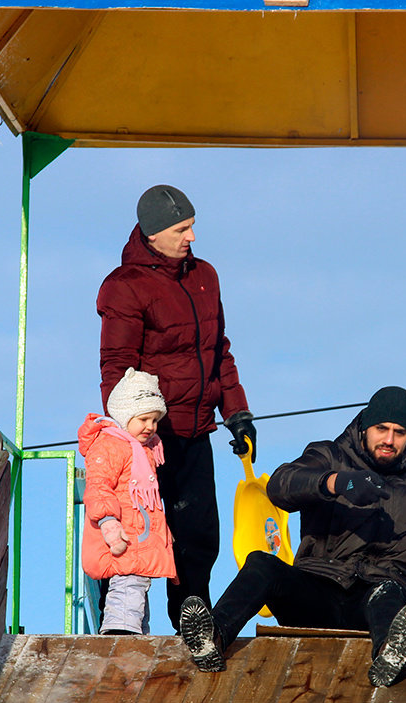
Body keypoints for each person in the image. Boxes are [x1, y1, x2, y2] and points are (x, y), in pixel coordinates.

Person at [178, 386, 406, 687]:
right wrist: (335, 482)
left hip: (376, 599)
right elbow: (280, 486)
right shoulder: (329, 454)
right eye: (382, 428)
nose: (389, 440)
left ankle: (390, 654)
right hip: (318, 590)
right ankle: (212, 637)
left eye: (399, 432)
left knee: (391, 592)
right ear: (366, 426)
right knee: (261, 565)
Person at [97, 184, 255, 630]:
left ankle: (192, 622)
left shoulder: (205, 276)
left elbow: (218, 350)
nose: (191, 237)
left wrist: (237, 412)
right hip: (147, 438)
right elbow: (116, 367)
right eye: (182, 228)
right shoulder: (125, 287)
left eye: (192, 226)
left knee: (198, 535)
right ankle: (123, 625)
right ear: (154, 232)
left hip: (197, 429)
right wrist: (129, 433)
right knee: (136, 531)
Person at [78, 368, 177, 635]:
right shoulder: (110, 445)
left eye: (155, 420)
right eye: (144, 418)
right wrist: (109, 523)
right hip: (122, 533)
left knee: (139, 588)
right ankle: (120, 632)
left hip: (140, 535)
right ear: (124, 416)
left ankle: (137, 634)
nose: (151, 426)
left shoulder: (143, 449)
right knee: (127, 584)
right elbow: (98, 487)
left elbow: (150, 502)